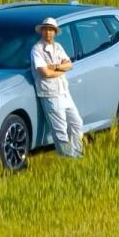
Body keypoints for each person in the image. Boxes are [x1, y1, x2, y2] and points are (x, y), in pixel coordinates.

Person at [31, 17, 84, 158]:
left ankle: (77, 154)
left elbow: (69, 64)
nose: (48, 32)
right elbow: (44, 73)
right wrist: (61, 69)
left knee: (77, 123)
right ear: (41, 31)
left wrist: (55, 67)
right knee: (60, 130)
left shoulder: (58, 47)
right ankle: (67, 158)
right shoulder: (37, 49)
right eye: (45, 29)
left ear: (55, 32)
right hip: (50, 94)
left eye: (51, 30)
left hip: (64, 91)